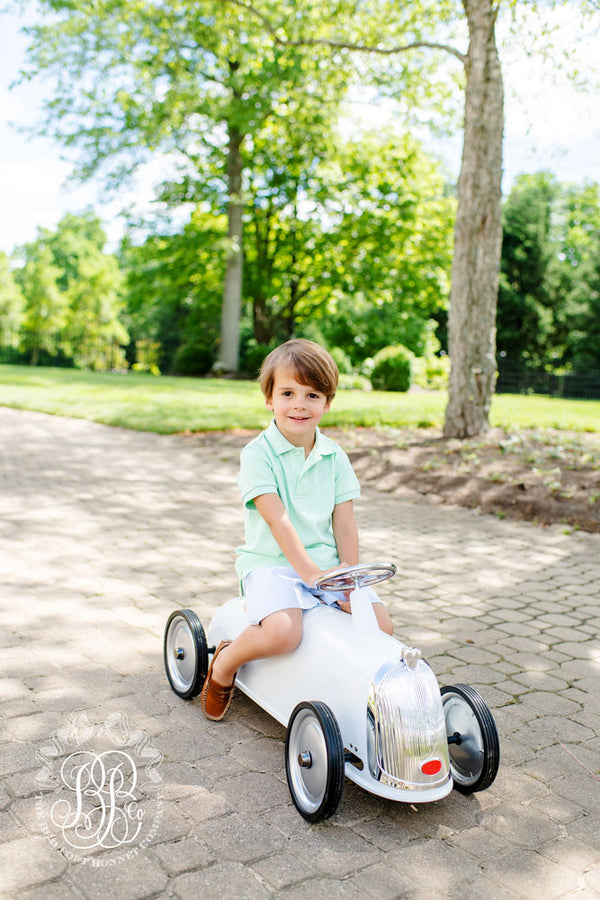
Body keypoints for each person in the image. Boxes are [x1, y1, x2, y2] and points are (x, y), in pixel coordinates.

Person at [200, 339, 393, 721]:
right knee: (284, 633)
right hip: (272, 565)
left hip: (326, 569)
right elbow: (278, 521)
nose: (300, 404)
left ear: (327, 402)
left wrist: (347, 578)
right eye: (288, 393)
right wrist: (310, 575)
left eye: (312, 394)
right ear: (270, 398)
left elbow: (345, 522)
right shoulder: (257, 455)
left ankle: (346, 694)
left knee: (379, 624)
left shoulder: (334, 455)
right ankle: (224, 663)